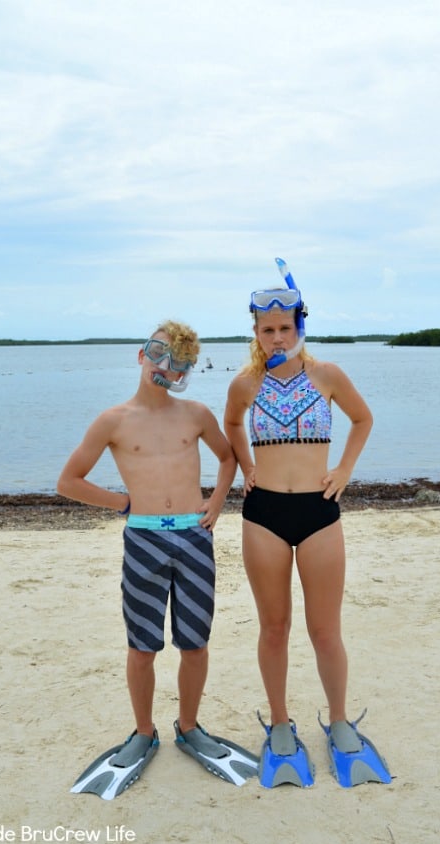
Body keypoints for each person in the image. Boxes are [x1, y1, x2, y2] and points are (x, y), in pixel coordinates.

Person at [58, 321, 258, 799]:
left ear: (186, 370)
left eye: (178, 361)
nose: (164, 366)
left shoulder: (195, 414)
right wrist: (123, 505)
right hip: (143, 541)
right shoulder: (114, 421)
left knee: (195, 642)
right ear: (140, 355)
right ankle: (144, 731)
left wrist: (216, 502)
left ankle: (188, 727)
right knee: (142, 646)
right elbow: (69, 481)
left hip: (193, 538)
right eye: (157, 353)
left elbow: (228, 458)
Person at [223, 261, 391, 789]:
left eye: (286, 327)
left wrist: (343, 469)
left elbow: (362, 419)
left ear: (300, 326)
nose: (277, 337)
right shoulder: (245, 383)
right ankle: (279, 724)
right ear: (255, 331)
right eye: (267, 329)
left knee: (325, 630)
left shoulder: (328, 376)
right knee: (274, 628)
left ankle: (339, 722)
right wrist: (246, 466)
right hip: (264, 516)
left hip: (319, 515)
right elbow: (230, 424)